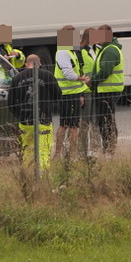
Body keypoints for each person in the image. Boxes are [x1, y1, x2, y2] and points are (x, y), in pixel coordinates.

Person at [8, 54, 61, 171]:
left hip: (25, 122)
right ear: (40, 64)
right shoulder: (48, 76)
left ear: (26, 64)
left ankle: (27, 176)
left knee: (26, 150)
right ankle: (43, 177)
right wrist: (47, 106)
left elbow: (11, 103)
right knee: (43, 151)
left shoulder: (17, 79)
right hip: (44, 121)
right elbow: (58, 95)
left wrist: (20, 115)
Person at [53, 25, 90, 161]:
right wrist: (83, 79)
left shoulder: (71, 51)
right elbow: (69, 74)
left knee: (71, 125)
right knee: (69, 126)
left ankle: (67, 155)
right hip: (67, 94)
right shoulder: (63, 52)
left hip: (74, 93)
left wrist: (80, 93)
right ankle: (63, 155)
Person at [87, 25, 124, 154]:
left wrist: (92, 81)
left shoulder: (109, 51)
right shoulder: (107, 49)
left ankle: (109, 149)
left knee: (106, 121)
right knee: (106, 120)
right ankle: (109, 148)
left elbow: (105, 72)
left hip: (107, 91)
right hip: (106, 90)